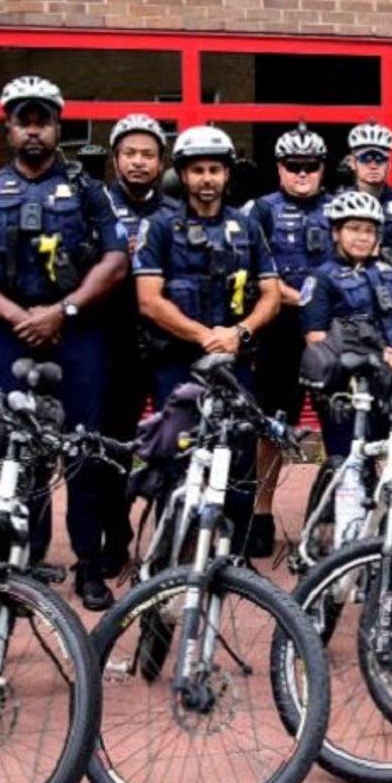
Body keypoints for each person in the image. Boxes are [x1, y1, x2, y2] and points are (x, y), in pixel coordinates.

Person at [0, 76, 129, 610]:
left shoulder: (89, 190)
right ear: (8, 127)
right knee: (16, 452)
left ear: (57, 127)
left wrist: (63, 310)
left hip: (78, 335)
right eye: (23, 121)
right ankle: (27, 564)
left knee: (84, 452)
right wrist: (11, 313)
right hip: (8, 335)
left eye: (42, 121)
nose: (33, 131)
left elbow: (116, 260)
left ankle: (89, 566)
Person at [132, 125, 280, 539]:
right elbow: (148, 299)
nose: (207, 178)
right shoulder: (159, 227)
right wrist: (203, 335)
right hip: (177, 364)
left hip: (235, 362)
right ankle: (171, 558)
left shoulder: (248, 227)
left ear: (228, 174)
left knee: (238, 457)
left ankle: (233, 555)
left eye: (215, 169)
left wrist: (239, 333)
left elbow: (270, 294)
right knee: (177, 460)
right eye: (197, 170)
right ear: (182, 174)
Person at [244, 124, 333, 551]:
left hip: (328, 333)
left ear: (322, 169)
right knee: (272, 427)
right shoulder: (260, 210)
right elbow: (259, 272)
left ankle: (332, 518)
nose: (302, 174)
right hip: (279, 331)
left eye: (310, 167)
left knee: (337, 427)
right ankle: (260, 516)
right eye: (294, 167)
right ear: (279, 168)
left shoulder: (340, 207)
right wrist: (303, 297)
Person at [99, 112, 180, 573]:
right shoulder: (97, 207)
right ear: (115, 159)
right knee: (113, 447)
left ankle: (168, 538)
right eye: (129, 153)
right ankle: (116, 536)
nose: (138, 162)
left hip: (167, 344)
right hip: (114, 346)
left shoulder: (174, 212)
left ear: (160, 161)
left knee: (173, 443)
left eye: (148, 154)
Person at [301, 190, 392, 459]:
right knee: (352, 468)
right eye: (354, 229)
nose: (362, 237)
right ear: (336, 232)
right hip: (347, 389)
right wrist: (378, 357)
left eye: (369, 230)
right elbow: (316, 339)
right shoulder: (321, 278)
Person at [344, 121, 392, 250]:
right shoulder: (339, 202)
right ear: (353, 163)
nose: (373, 166)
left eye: (381, 158)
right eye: (366, 158)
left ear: (389, 164)